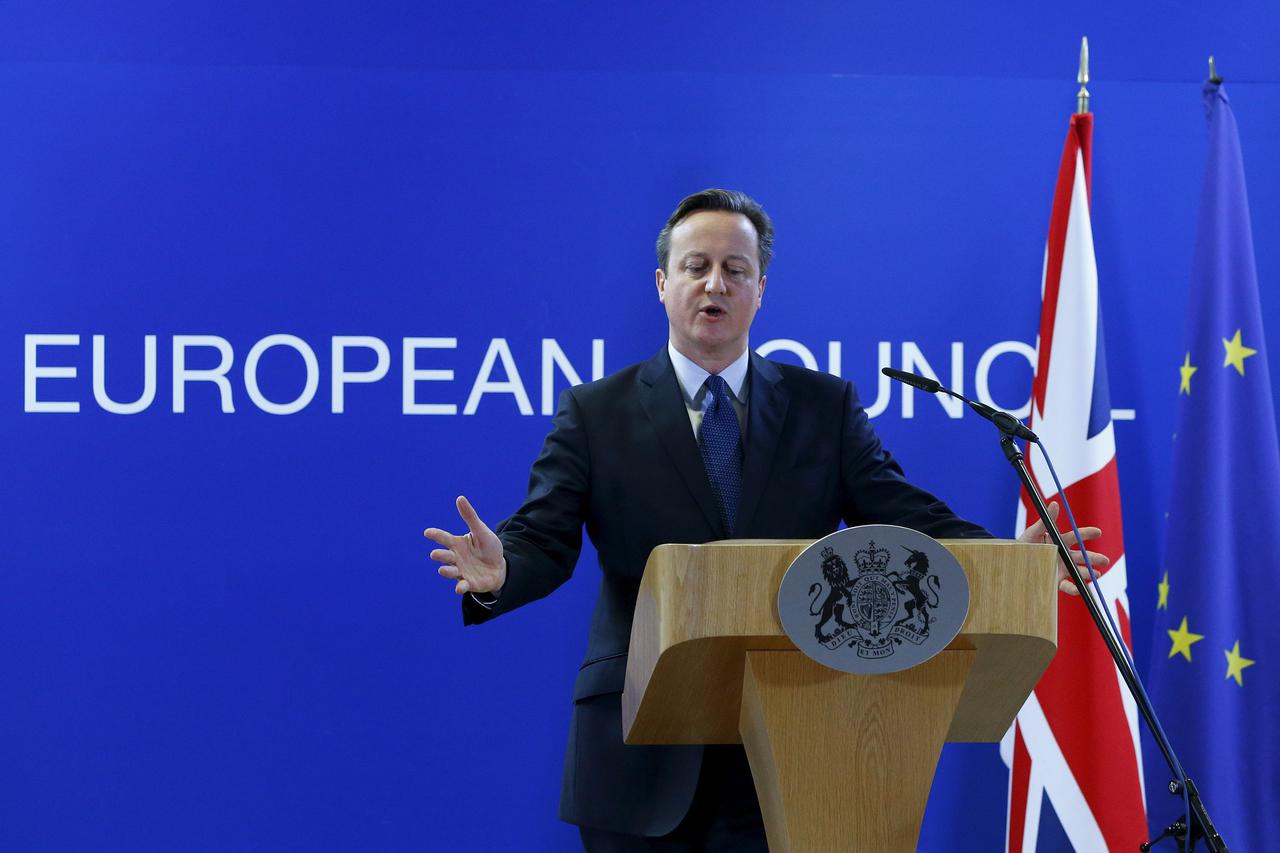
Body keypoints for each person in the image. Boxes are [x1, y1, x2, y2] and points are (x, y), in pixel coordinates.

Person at [425, 188, 1104, 851]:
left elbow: (904, 514)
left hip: (789, 747)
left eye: (735, 269)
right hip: (638, 750)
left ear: (760, 290)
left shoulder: (823, 407)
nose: (714, 282)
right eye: (696, 266)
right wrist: (503, 568)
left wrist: (1008, 562)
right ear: (662, 283)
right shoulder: (596, 412)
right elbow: (545, 535)